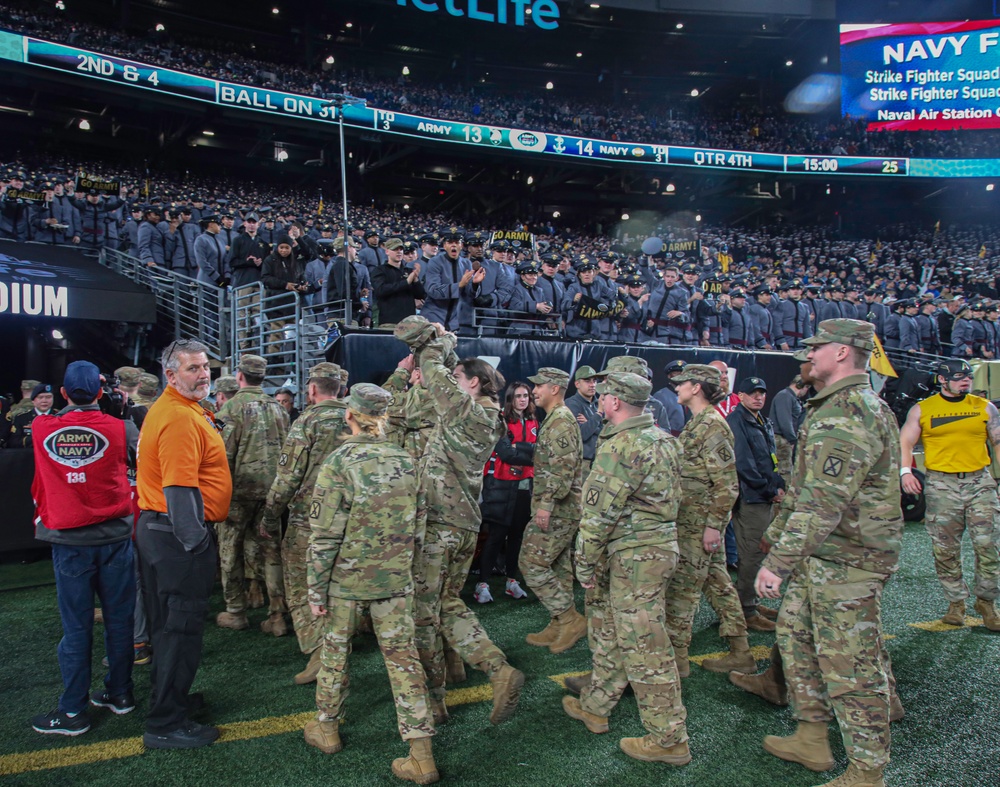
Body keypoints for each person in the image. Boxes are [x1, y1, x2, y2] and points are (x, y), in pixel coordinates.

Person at [755, 319, 903, 787]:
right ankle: (811, 735)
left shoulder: (848, 412)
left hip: (847, 559)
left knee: (849, 663)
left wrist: (777, 564)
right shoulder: (838, 406)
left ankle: (866, 770)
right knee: (795, 636)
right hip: (825, 555)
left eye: (817, 348)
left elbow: (823, 502)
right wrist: (780, 534)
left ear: (842, 353)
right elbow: (805, 488)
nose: (809, 355)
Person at [393, 316, 524, 728]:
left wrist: (437, 341)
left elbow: (431, 371)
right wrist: (446, 349)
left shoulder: (465, 410)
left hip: (437, 524)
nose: (451, 379)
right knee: (446, 603)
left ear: (473, 384)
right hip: (465, 524)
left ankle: (444, 695)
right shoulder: (486, 416)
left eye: (458, 376)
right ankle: (487, 673)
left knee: (424, 613)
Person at [305, 383, 438, 784]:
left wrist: (315, 589)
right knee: (403, 660)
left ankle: (327, 728)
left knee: (335, 651)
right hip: (395, 578)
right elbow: (419, 527)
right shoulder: (408, 460)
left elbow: (325, 535)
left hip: (345, 579)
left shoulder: (339, 463)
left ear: (350, 415)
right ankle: (422, 755)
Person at [566, 371, 691, 766]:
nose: (599, 401)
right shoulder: (664, 440)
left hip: (633, 556)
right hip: (656, 551)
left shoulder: (620, 445)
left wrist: (583, 564)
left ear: (616, 402)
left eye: (603, 397)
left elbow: (598, 514)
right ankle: (597, 705)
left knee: (645, 647)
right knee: (619, 632)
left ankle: (669, 738)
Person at [30, 361, 139, 736]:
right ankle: (120, 693)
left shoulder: (43, 426)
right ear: (99, 392)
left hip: (71, 543)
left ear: (62, 394)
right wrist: (118, 409)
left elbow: (55, 418)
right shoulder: (122, 428)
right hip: (115, 539)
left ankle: (73, 710)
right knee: (120, 621)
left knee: (76, 628)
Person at [136, 339, 231, 749]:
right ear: (171, 375)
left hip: (160, 532)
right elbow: (178, 488)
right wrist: (194, 545)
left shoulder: (181, 409)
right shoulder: (178, 417)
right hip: (177, 537)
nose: (203, 374)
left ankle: (169, 700)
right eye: (193, 368)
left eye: (205, 366)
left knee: (167, 627)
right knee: (181, 629)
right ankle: (165, 722)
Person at [263, 363, 352, 683]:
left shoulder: (306, 423)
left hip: (309, 521)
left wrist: (270, 515)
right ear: (340, 389)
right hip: (352, 519)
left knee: (302, 583)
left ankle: (321, 653)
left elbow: (287, 478)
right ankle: (343, 643)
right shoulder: (358, 418)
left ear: (312, 390)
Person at [661, 364, 752, 675]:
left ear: (696, 387)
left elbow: (727, 483)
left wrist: (713, 526)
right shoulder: (699, 422)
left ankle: (678, 660)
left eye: (682, 383)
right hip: (696, 523)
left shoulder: (711, 425)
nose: (677, 387)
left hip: (698, 527)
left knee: (682, 591)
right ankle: (741, 650)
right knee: (719, 585)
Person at [899, 358, 1000, 630]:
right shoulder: (923, 409)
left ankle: (987, 603)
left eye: (968, 376)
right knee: (945, 549)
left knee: (988, 546)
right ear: (942, 380)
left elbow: (998, 442)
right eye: (958, 376)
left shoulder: (985, 408)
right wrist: (905, 472)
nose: (965, 381)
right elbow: (906, 441)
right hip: (941, 485)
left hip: (980, 482)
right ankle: (956, 603)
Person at [216, 355, 290, 634]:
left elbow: (220, 455)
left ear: (239, 376)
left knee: (230, 549)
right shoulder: (279, 409)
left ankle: (236, 610)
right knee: (272, 550)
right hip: (273, 492)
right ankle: (278, 614)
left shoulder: (227, 411)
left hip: (238, 492)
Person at [521, 368, 586, 654]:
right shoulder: (556, 418)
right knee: (558, 568)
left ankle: (571, 619)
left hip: (558, 508)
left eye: (539, 386)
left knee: (531, 563)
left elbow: (563, 468)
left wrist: (546, 505)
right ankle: (560, 623)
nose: (534, 391)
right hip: (561, 508)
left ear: (555, 389)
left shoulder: (560, 420)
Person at [728, 376, 785, 633]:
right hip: (752, 497)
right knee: (752, 554)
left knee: (758, 551)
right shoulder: (738, 420)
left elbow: (767, 459)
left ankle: (749, 602)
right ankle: (746, 610)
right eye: (753, 393)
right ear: (741, 395)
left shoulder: (761, 419)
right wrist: (769, 488)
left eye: (762, 392)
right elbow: (744, 464)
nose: (759, 397)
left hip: (761, 494)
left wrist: (777, 482)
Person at [476, 381, 538, 604]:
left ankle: (512, 581)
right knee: (495, 537)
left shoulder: (532, 421)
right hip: (500, 486)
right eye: (518, 396)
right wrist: (532, 453)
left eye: (526, 396)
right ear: (510, 399)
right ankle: (482, 584)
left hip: (524, 488)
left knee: (517, 537)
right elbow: (506, 454)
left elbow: (524, 452)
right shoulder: (500, 420)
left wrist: (522, 452)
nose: (522, 400)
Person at [770, 374, 809, 480]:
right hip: (781, 440)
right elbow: (785, 421)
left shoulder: (790, 397)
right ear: (801, 385)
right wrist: (792, 440)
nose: (806, 392)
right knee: (784, 471)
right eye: (807, 387)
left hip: (785, 439)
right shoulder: (785, 396)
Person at [564, 366, 602, 469]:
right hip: (582, 462)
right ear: (577, 384)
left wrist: (590, 423)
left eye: (594, 381)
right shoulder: (571, 404)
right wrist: (598, 415)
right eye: (587, 381)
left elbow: (609, 432)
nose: (592, 385)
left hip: (600, 461)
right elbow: (582, 434)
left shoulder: (600, 403)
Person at [7, 382, 56, 448]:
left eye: (48, 397)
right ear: (33, 401)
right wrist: (37, 439)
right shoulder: (21, 418)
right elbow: (13, 442)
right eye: (40, 397)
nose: (44, 401)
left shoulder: (60, 416)